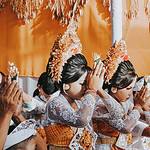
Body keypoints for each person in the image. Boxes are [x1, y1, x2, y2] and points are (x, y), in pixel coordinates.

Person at [44, 20, 110, 149]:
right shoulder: (55, 104)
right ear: (66, 85)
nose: (86, 87)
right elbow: (81, 120)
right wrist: (91, 90)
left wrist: (99, 89)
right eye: (82, 83)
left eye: (87, 83)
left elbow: (116, 115)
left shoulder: (80, 103)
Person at [92, 40, 150, 150]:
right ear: (114, 88)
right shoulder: (100, 104)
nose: (131, 93)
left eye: (132, 88)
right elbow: (126, 127)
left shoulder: (125, 103)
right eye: (128, 88)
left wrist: (145, 107)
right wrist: (137, 106)